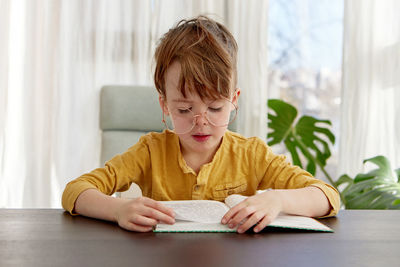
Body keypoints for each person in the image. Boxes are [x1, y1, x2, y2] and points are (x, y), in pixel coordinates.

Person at [62, 15, 340, 234]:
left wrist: (277, 200)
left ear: (234, 101)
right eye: (184, 109)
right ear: (164, 106)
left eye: (216, 107)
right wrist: (118, 209)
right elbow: (75, 191)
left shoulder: (252, 155)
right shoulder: (149, 152)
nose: (201, 122)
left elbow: (328, 197)